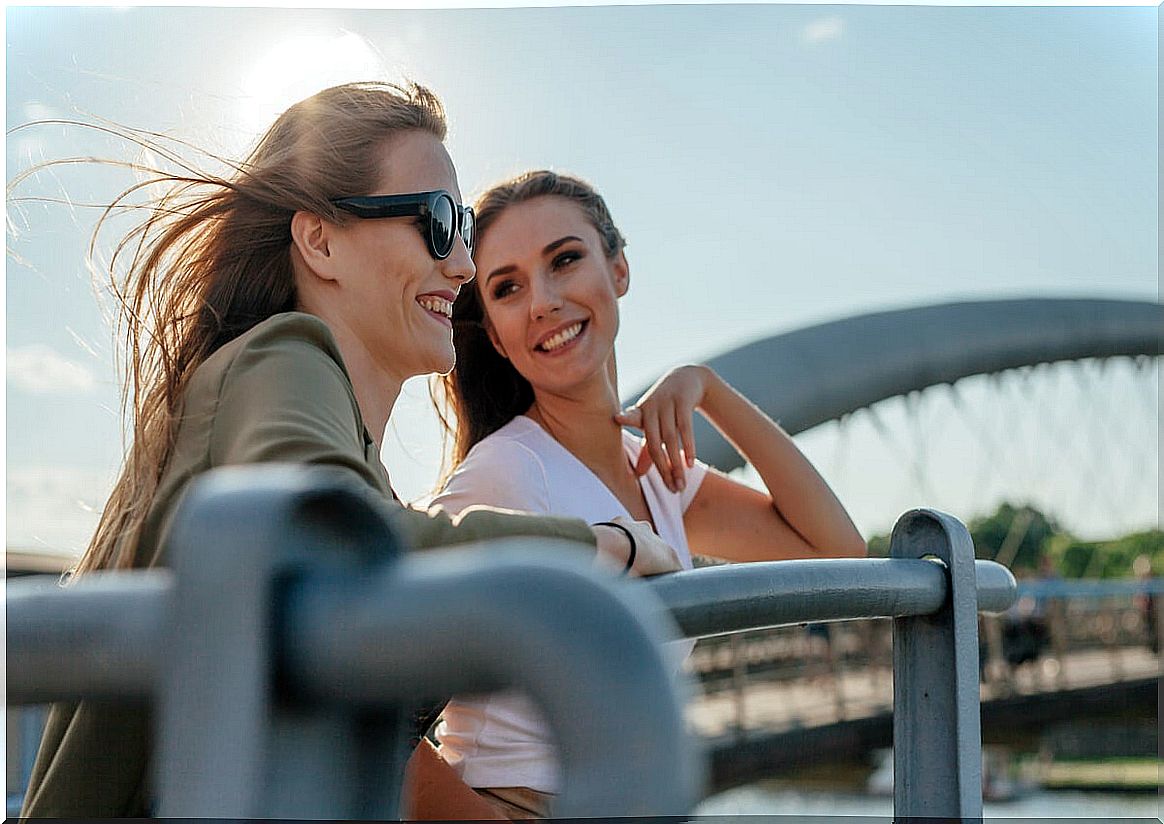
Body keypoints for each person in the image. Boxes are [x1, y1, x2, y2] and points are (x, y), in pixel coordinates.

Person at [15, 84, 678, 819]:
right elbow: (346, 543)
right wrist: (603, 546)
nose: (461, 265)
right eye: (437, 222)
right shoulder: (279, 358)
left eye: (461, 227)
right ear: (320, 242)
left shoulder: (333, 430)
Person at [430, 169, 868, 817]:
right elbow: (381, 698)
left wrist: (709, 389)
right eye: (508, 287)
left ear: (620, 271)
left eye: (566, 260)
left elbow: (841, 557)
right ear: (494, 333)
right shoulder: (509, 475)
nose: (543, 301)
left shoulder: (658, 473)